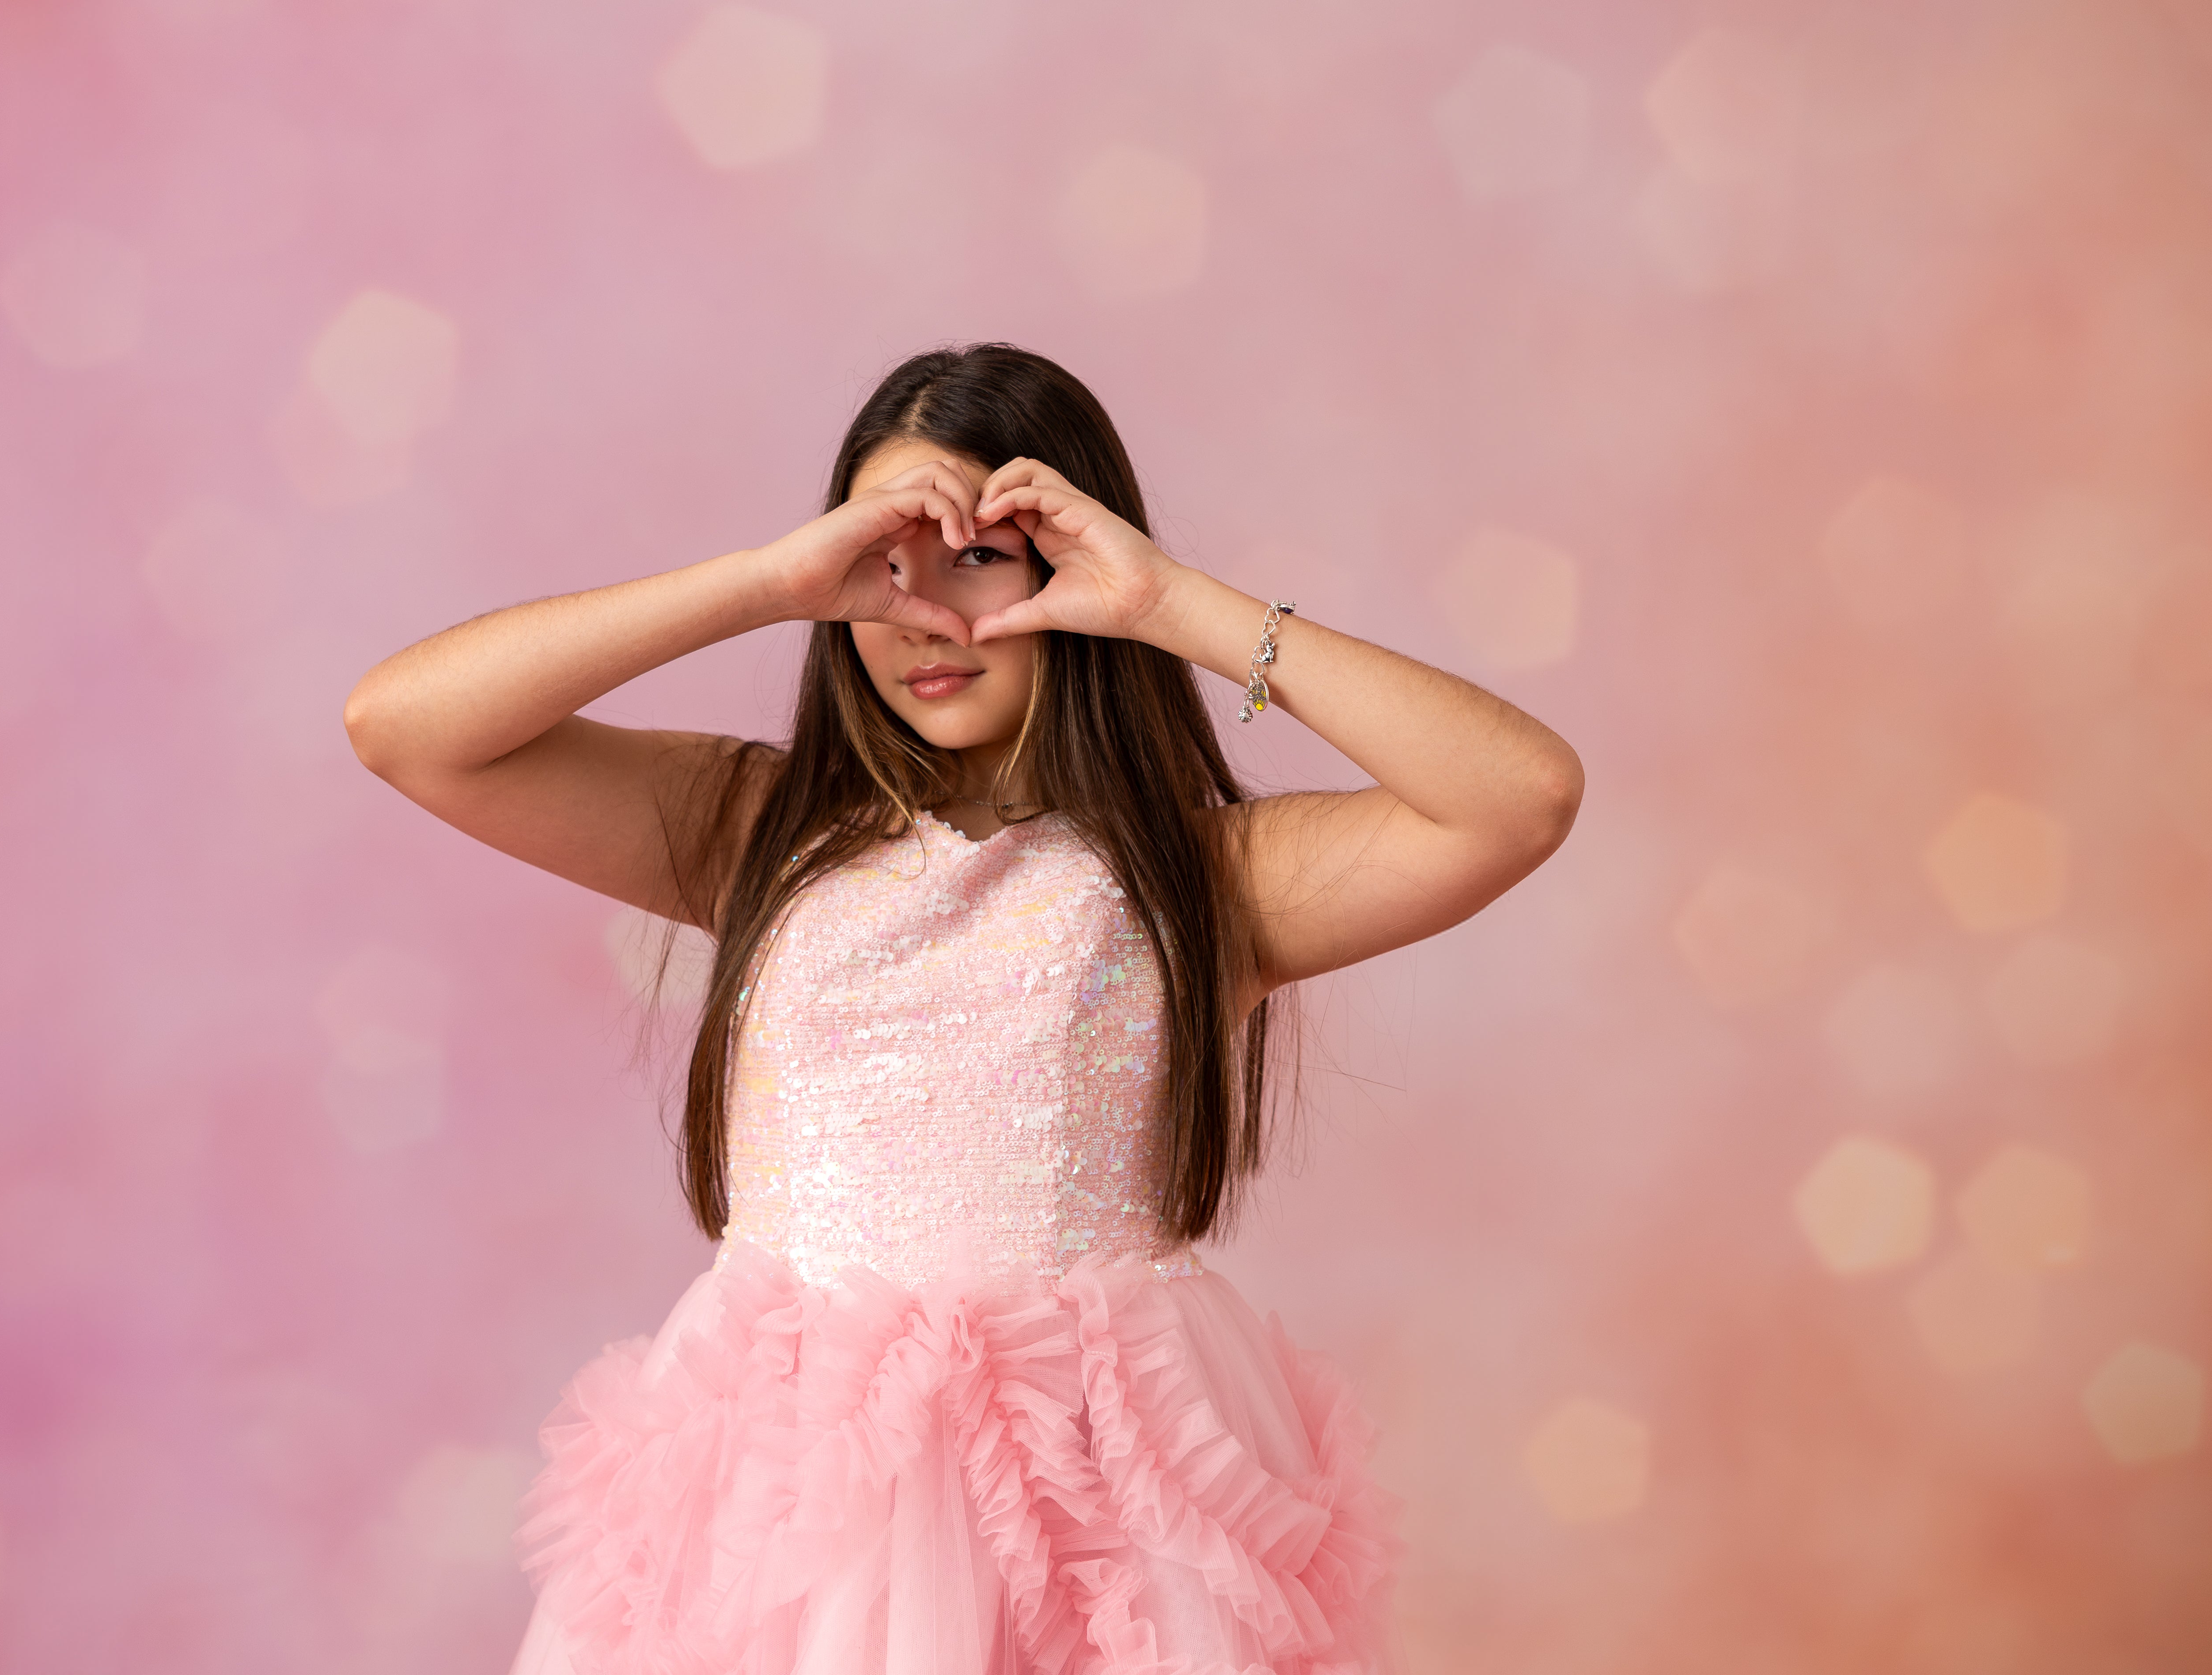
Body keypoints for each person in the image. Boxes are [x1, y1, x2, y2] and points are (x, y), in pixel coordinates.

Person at [342, 343, 1583, 1675]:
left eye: (980, 558)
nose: (926, 615)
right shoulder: (753, 830)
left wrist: (1171, 603)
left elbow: (1520, 797)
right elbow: (405, 725)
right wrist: (764, 584)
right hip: (794, 1509)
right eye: (883, 564)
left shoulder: (1202, 880)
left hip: (1095, 1512)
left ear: (1076, 562)